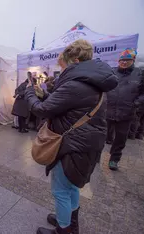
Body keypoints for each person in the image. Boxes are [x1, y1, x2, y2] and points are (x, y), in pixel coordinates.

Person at [25, 39, 118, 234]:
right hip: (86, 143)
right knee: (72, 186)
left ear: (75, 61)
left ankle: (63, 229)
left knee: (61, 190)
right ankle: (69, 223)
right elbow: (68, 106)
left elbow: (43, 110)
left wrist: (29, 94)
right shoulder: (92, 82)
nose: (63, 70)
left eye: (64, 65)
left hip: (72, 145)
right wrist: (44, 95)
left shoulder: (75, 84)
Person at [106, 48, 144, 171]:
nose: (123, 62)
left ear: (133, 60)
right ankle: (95, 157)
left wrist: (136, 103)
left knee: (120, 138)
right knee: (101, 135)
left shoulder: (140, 74)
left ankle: (114, 159)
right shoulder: (112, 72)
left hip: (127, 112)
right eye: (121, 60)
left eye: (127, 60)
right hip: (108, 110)